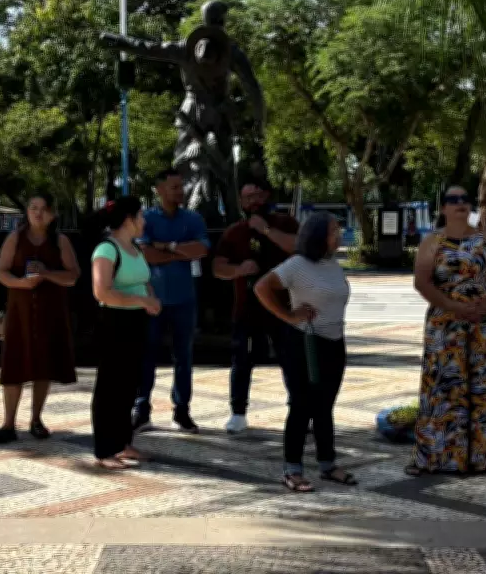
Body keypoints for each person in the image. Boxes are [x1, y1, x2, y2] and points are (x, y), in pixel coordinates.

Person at [407, 186, 486, 476]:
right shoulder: (432, 242)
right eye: (453, 200)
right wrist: (454, 306)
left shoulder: (485, 239)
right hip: (445, 327)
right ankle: (438, 458)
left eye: (465, 200)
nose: (460, 204)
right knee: (443, 389)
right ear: (443, 208)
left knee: (482, 388)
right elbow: (422, 282)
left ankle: (481, 456)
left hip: (480, 327)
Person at [254, 212, 355, 491]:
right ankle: (292, 468)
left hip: (334, 341)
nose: (340, 234)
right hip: (304, 343)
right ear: (318, 234)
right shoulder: (298, 265)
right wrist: (288, 315)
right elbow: (262, 287)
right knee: (301, 405)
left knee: (325, 405)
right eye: (334, 230)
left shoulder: (332, 264)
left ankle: (327, 463)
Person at [0, 192, 80, 445]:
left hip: (51, 312)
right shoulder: (15, 238)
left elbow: (73, 276)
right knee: (14, 366)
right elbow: (1, 272)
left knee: (44, 365)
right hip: (20, 310)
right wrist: (21, 283)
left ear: (52, 214)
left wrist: (47, 274)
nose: (37, 213)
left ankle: (36, 420)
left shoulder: (60, 241)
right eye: (33, 207)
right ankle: (8, 424)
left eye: (43, 208)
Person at [213, 179, 299, 434]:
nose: (253, 202)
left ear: (268, 196)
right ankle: (238, 412)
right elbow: (218, 267)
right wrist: (238, 270)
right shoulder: (234, 232)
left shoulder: (285, 223)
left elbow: (301, 249)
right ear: (241, 202)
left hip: (285, 307)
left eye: (258, 195)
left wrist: (266, 231)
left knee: (291, 361)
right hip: (247, 310)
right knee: (242, 360)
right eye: (248, 197)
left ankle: (298, 409)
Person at [134, 168, 210, 434]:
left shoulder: (192, 218)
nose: (181, 191)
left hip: (184, 299)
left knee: (184, 357)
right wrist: (180, 251)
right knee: (146, 355)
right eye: (175, 187)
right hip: (152, 299)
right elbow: (145, 254)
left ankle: (182, 411)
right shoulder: (147, 218)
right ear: (159, 190)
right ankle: (141, 410)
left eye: (182, 186)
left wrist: (166, 247)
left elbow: (201, 250)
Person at [91, 196, 162, 469]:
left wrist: (149, 298)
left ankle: (123, 443)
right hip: (113, 324)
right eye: (141, 216)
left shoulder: (135, 249)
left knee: (129, 384)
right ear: (129, 220)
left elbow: (142, 282)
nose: (144, 221)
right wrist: (143, 301)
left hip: (136, 323)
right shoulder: (106, 250)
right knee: (110, 386)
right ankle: (104, 449)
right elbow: (102, 291)